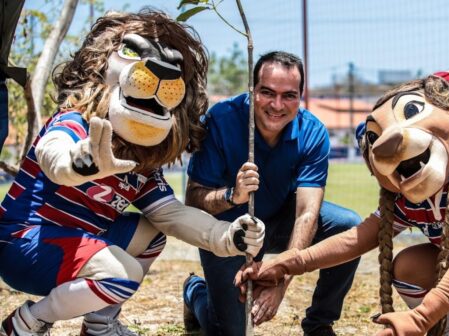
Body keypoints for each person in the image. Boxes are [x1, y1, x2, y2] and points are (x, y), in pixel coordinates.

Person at [0, 10, 265, 336]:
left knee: (151, 234)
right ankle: (28, 323)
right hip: (24, 243)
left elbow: (172, 215)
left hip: (75, 242)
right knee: (120, 273)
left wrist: (226, 237)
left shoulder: (141, 165)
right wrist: (80, 164)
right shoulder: (77, 122)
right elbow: (51, 155)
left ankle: (99, 325)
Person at [236, 71, 449, 336]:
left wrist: (419, 319)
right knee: (407, 267)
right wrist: (288, 263)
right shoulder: (409, 197)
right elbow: (355, 239)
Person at [182, 51, 361, 336]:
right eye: (267, 92)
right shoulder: (221, 118)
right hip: (229, 231)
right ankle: (195, 291)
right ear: (252, 91)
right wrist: (233, 195)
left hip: (281, 220)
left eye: (289, 95)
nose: (277, 105)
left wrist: (282, 277)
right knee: (230, 332)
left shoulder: (312, 131)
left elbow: (306, 213)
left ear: (301, 96)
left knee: (348, 227)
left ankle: (319, 324)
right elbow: (193, 199)